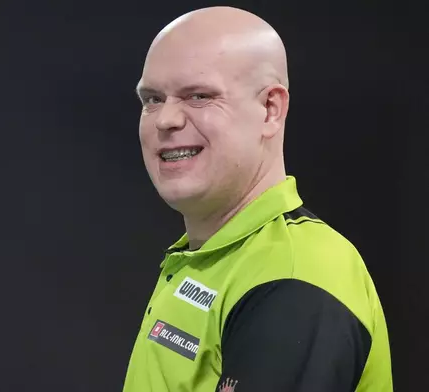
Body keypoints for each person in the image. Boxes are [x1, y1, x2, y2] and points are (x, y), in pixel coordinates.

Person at [122, 6, 392, 392]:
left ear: (270, 109)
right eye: (152, 99)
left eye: (198, 96)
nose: (166, 120)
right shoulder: (213, 258)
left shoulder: (297, 277)